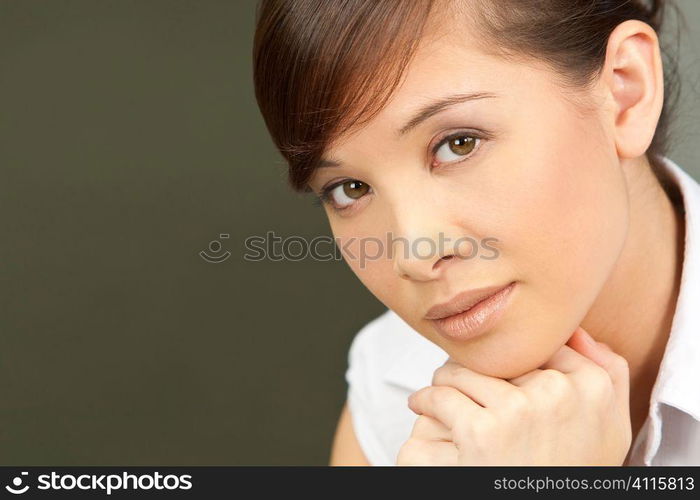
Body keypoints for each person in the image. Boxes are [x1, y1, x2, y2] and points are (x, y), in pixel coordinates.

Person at [253, 0, 698, 465]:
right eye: (350, 189)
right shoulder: (393, 385)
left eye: (457, 144)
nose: (413, 254)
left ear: (626, 92)